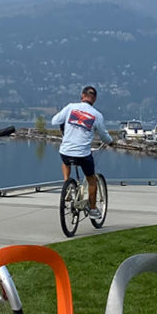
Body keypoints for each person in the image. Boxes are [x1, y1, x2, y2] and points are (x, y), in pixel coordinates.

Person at [50, 85, 114, 220]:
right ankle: (92, 208)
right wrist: (110, 142)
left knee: (65, 161)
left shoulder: (70, 107)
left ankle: (67, 185)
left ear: (82, 95)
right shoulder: (97, 115)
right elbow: (104, 135)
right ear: (94, 99)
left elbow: (54, 121)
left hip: (66, 151)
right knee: (92, 180)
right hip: (83, 154)